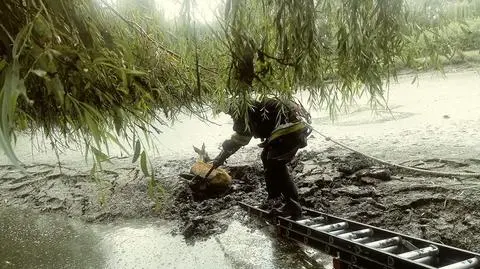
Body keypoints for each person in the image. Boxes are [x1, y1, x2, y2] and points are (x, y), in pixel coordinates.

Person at [211, 97, 312, 220]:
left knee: (276, 163)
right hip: (295, 125)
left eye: (227, 112)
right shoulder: (247, 105)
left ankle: (292, 205)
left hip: (291, 128)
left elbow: (241, 139)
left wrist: (221, 157)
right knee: (267, 157)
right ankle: (274, 198)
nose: (230, 116)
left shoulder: (243, 111)